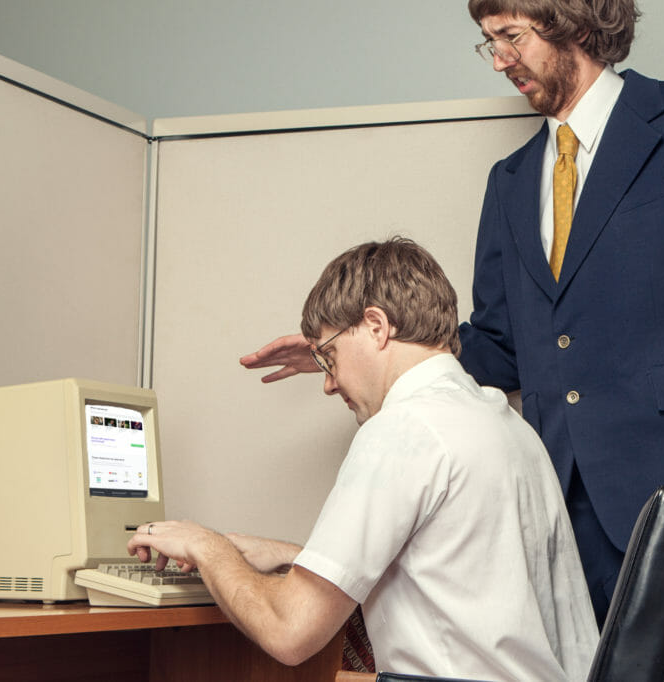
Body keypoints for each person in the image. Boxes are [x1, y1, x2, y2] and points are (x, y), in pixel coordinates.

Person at [240, 3, 664, 680]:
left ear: (573, 24)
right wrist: (347, 347)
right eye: (487, 43)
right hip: (564, 509)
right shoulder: (510, 182)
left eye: (510, 38)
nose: (499, 60)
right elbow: (499, 344)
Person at [132, 238, 599, 681]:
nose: (329, 383)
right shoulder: (505, 425)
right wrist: (295, 556)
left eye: (328, 356)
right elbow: (459, 578)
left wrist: (205, 545)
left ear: (376, 326)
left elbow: (288, 631)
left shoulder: (404, 428)